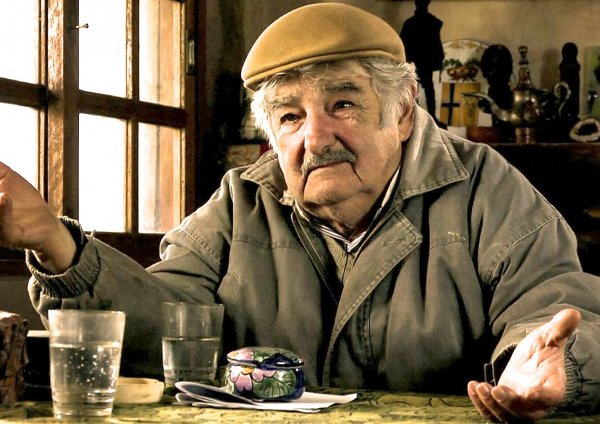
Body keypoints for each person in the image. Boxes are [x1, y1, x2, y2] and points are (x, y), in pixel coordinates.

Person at [1, 3, 599, 422]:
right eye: (290, 117)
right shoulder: (241, 202)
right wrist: (57, 245)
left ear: (402, 112)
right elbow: (166, 326)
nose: (315, 138)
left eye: (343, 104)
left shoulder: (485, 186)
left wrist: (548, 367)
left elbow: (554, 305)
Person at [400, 0, 444, 123]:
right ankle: (417, 116)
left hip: (421, 61)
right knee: (417, 88)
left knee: (422, 88)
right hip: (418, 61)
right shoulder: (431, 22)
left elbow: (436, 42)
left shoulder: (412, 23)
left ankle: (427, 116)